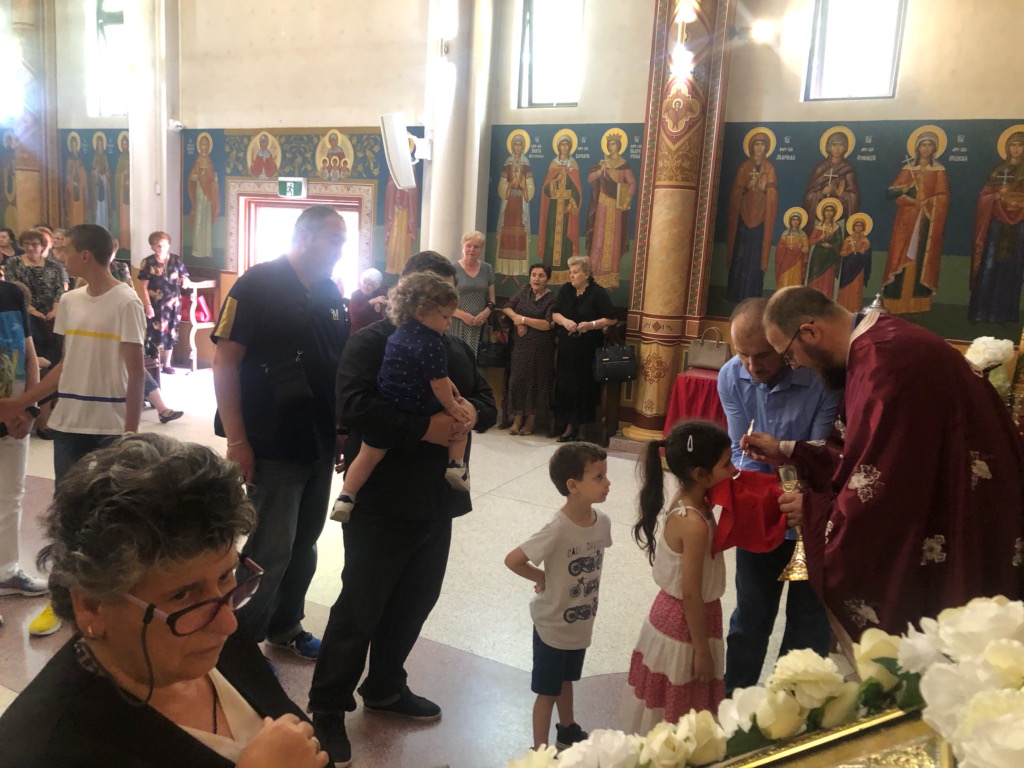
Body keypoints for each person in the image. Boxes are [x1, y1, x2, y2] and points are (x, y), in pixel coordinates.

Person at [0, 433, 333, 768]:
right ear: (91, 605)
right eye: (182, 595)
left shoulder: (207, 630)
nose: (229, 623)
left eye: (226, 575)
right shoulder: (42, 752)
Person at [743, 286, 1024, 641]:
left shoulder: (883, 366)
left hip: (963, 508)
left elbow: (883, 484)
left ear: (810, 332)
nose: (795, 365)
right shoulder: (877, 343)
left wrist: (814, 512)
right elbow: (857, 449)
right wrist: (788, 450)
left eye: (789, 355)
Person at [307, 250, 496, 766]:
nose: (443, 309)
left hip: (438, 499)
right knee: (361, 604)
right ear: (411, 293)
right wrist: (425, 428)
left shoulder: (453, 346)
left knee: (416, 599)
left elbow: (486, 401)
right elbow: (353, 406)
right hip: (382, 501)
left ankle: (386, 686)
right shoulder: (370, 342)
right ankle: (327, 705)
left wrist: (471, 412)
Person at [212, 205, 348, 660]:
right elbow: (224, 362)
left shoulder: (329, 291)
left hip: (316, 438)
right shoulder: (257, 283)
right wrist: (237, 440)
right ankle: (239, 649)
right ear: (305, 237)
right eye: (334, 240)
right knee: (270, 548)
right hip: (271, 439)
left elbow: (334, 366)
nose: (341, 249)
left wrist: (340, 429)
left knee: (304, 544)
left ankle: (285, 626)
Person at [716, 298, 836, 696]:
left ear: (782, 343)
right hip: (763, 517)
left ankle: (791, 709)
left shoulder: (820, 379)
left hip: (812, 519)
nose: (752, 367)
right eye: (742, 354)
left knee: (808, 624)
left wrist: (783, 456)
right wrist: (763, 493)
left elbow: (824, 455)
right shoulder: (731, 376)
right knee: (750, 618)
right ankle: (735, 705)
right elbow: (738, 450)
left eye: (763, 355)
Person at [330, 272, 474, 521]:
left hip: (390, 400)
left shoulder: (398, 334)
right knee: (459, 424)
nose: (449, 323)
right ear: (421, 312)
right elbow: (438, 381)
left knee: (368, 456)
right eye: (445, 316)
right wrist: (452, 406)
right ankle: (456, 466)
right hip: (418, 403)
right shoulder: (433, 343)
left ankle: (346, 496)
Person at [622, 420, 734, 733]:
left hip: (689, 616)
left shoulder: (692, 502)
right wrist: (702, 650)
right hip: (685, 624)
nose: (734, 470)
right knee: (677, 707)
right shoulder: (693, 523)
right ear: (700, 474)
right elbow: (691, 592)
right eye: (726, 464)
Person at [504, 441, 612, 750]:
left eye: (605, 475)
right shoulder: (557, 528)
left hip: (580, 622)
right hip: (552, 626)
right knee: (547, 691)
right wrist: (542, 577)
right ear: (572, 485)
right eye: (599, 477)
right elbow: (513, 560)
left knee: (567, 680)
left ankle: (567, 730)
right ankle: (539, 751)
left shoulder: (602, 522)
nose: (608, 483)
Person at [0, 276, 48, 605]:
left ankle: (6, 571)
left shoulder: (12, 293)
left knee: (10, 496)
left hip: (16, 418)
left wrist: (30, 408)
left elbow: (30, 356)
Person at [881, 130, 950, 315]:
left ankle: (918, 302)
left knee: (921, 256)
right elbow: (892, 192)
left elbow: (943, 196)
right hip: (906, 220)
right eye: (923, 145)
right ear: (917, 148)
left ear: (935, 148)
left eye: (930, 145)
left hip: (926, 220)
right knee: (899, 254)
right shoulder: (908, 169)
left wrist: (926, 202)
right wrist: (908, 194)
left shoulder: (939, 170)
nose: (926, 149)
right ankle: (895, 301)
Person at [551, 256, 616, 442]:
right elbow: (555, 313)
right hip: (567, 346)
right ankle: (568, 427)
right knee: (566, 385)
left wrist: (591, 324)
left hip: (587, 348)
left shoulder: (597, 292)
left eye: (575, 272)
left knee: (584, 387)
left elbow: (611, 319)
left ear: (586, 274)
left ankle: (583, 429)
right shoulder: (566, 290)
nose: (571, 276)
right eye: (570, 272)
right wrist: (565, 322)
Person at [969, 130, 1024, 324]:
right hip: (996, 225)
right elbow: (985, 195)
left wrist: (1013, 199)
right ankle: (982, 312)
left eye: (1020, 145)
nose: (1016, 149)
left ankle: (1004, 314)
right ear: (1007, 148)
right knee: (990, 264)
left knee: (1012, 267)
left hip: (1019, 225)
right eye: (1013, 145)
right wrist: (996, 196)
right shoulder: (998, 170)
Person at [502, 263, 555, 436]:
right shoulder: (525, 290)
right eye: (534, 275)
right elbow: (507, 307)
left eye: (541, 275)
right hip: (520, 345)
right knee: (518, 380)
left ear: (547, 279)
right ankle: (517, 419)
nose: (536, 279)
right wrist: (516, 319)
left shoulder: (552, 298)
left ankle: (531, 421)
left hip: (540, 347)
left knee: (536, 382)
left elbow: (547, 324)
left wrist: (524, 320)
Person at [725, 131, 777, 302]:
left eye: (763, 144)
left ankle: (753, 295)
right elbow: (735, 193)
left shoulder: (769, 168)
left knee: (755, 255)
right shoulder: (744, 168)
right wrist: (747, 187)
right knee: (740, 254)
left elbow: (773, 192)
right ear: (751, 147)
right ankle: (735, 294)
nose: (760, 147)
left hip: (761, 219)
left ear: (767, 147)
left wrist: (765, 189)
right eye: (757, 144)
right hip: (743, 218)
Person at [585, 132, 636, 285]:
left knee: (613, 239)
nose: (610, 146)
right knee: (599, 237)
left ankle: (610, 277)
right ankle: (595, 273)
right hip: (602, 205)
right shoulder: (602, 162)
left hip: (615, 207)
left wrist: (627, 199)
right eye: (609, 144)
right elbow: (590, 179)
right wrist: (601, 170)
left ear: (619, 145)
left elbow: (632, 183)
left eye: (613, 143)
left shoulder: (623, 164)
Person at [139, 231, 190, 374]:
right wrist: (147, 305)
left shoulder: (176, 260)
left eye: (164, 245)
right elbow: (143, 286)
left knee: (171, 332)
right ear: (152, 247)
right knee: (153, 332)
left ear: (169, 245)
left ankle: (167, 364)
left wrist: (184, 280)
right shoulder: (148, 262)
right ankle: (153, 364)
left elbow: (185, 276)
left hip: (173, 303)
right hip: (155, 303)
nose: (161, 248)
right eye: (158, 245)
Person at [802, 129, 860, 235]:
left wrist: (842, 194)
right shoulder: (821, 168)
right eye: (834, 145)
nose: (837, 149)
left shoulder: (848, 168)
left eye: (841, 145)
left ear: (845, 147)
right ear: (829, 147)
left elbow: (854, 196)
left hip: (840, 217)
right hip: (819, 217)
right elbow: (809, 195)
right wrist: (822, 193)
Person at [538, 133, 582, 268]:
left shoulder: (573, 165)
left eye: (566, 144)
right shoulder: (553, 165)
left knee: (565, 239)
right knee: (551, 237)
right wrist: (555, 181)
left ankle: (564, 271)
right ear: (558, 147)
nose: (564, 147)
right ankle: (549, 270)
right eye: (562, 144)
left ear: (570, 147)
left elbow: (577, 190)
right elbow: (546, 190)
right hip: (554, 207)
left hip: (566, 208)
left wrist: (571, 204)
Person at [448, 230, 495, 355]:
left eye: (476, 247)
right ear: (463, 246)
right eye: (468, 245)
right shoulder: (452, 269)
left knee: (475, 361)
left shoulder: (487, 269)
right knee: (458, 359)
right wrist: (464, 316)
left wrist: (485, 314)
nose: (472, 250)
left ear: (481, 249)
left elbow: (492, 299)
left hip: (480, 324)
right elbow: (444, 302)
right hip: (457, 323)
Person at [495, 133, 535, 279]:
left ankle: (518, 271)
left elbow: (530, 185)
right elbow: (502, 184)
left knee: (519, 235)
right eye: (516, 144)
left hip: (520, 203)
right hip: (509, 202)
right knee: (506, 235)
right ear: (512, 147)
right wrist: (510, 184)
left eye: (520, 145)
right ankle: (506, 270)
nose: (518, 147)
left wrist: (524, 186)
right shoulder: (507, 164)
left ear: (523, 147)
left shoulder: (526, 164)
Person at [188, 133, 220, 260]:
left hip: (208, 196)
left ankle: (206, 250)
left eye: (206, 144)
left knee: (206, 220)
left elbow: (212, 179)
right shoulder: (197, 162)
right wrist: (199, 176)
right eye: (202, 144)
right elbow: (192, 177)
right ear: (199, 146)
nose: (204, 146)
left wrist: (214, 180)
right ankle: (197, 250)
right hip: (200, 193)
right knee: (199, 220)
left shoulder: (210, 162)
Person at [805, 199, 844, 300]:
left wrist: (831, 245)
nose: (829, 213)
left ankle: (825, 301)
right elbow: (810, 241)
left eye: (831, 210)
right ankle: (812, 299)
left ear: (834, 213)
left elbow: (840, 243)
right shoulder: (819, 226)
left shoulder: (837, 227)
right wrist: (820, 238)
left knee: (827, 280)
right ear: (823, 212)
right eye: (827, 210)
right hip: (818, 256)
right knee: (815, 278)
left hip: (830, 258)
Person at [837, 214, 873, 313]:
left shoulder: (866, 241)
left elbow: (868, 257)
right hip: (848, 267)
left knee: (856, 288)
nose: (858, 228)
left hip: (859, 268)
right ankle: (843, 307)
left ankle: (855, 308)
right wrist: (850, 252)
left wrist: (863, 253)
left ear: (863, 228)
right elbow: (842, 253)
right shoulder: (848, 240)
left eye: (860, 226)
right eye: (857, 225)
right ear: (853, 227)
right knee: (846, 289)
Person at [774, 209, 809, 289]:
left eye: (797, 220)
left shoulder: (803, 234)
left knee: (795, 279)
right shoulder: (785, 234)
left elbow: (806, 249)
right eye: (793, 219)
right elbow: (779, 248)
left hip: (797, 260)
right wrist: (786, 247)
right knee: (784, 278)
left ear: (800, 221)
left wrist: (799, 248)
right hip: (786, 260)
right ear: (790, 221)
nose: (795, 222)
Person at [347, 267, 387, 334]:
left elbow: (385, 307)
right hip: (358, 334)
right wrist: (371, 302)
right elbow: (355, 316)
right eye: (364, 282)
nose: (365, 286)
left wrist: (379, 303)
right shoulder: (355, 295)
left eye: (369, 284)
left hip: (374, 333)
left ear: (375, 286)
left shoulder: (379, 293)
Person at [90, 133, 112, 230]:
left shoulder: (105, 157)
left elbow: (108, 171)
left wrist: (104, 176)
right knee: (98, 208)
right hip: (97, 188)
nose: (100, 147)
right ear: (96, 146)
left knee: (104, 208)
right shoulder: (95, 157)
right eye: (98, 144)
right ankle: (98, 226)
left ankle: (105, 226)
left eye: (101, 144)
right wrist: (96, 173)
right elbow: (92, 171)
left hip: (104, 185)